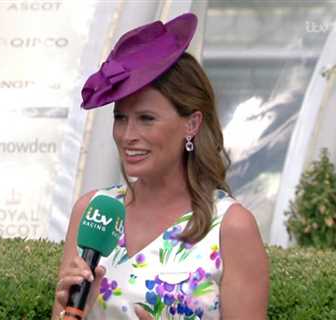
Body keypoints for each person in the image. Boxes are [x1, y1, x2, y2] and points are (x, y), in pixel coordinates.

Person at [52, 12, 269, 320]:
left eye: (146, 119)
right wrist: (71, 312)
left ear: (192, 123)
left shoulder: (232, 227)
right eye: (120, 118)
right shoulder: (94, 210)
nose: (128, 135)